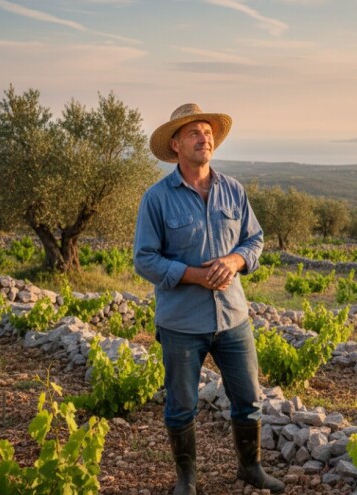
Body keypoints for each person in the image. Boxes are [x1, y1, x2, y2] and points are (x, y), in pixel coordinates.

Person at [134, 103, 283, 494]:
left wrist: (235, 260)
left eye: (208, 131)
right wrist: (195, 275)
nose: (205, 138)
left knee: (249, 399)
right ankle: (187, 480)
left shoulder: (233, 190)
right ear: (176, 144)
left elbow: (255, 239)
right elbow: (144, 259)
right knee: (181, 405)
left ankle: (250, 469)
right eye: (195, 132)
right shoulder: (157, 198)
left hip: (234, 318)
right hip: (181, 323)